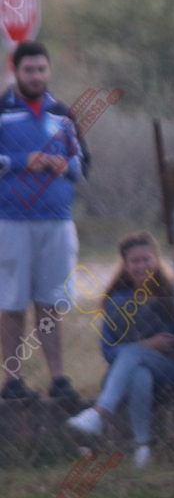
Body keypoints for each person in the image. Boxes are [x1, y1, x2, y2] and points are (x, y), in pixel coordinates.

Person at [0, 40, 92, 408]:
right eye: (29, 70)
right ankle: (12, 380)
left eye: (41, 69)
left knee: (51, 302)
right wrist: (23, 161)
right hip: (11, 222)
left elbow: (83, 164)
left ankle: (58, 378)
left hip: (56, 222)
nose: (36, 76)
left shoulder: (62, 114)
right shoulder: (2, 110)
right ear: (15, 71)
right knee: (11, 302)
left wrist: (63, 165)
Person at [65, 232, 174, 468]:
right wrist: (149, 345)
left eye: (146, 259)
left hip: (170, 370)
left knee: (132, 353)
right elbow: (108, 351)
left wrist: (150, 347)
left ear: (156, 260)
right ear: (126, 265)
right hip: (129, 373)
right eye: (134, 261)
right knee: (139, 374)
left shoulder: (172, 295)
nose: (141, 266)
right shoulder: (116, 300)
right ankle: (143, 448)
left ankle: (98, 413)